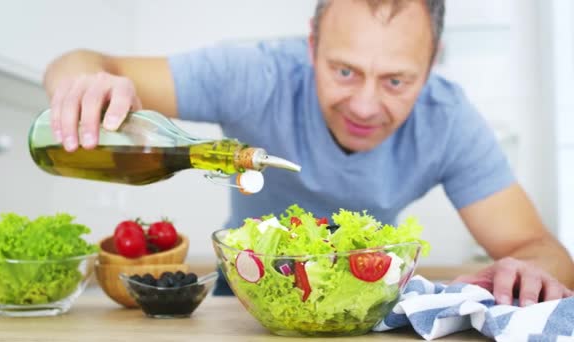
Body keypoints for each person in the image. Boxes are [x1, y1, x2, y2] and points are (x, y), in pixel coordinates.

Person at [43, 0, 574, 304]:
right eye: (344, 71)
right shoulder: (257, 75)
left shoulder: (450, 120)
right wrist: (83, 85)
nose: (365, 105)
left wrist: (528, 272)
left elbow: (540, 249)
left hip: (365, 312)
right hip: (243, 304)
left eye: (396, 80)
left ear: (433, 63)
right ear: (312, 43)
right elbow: (83, 60)